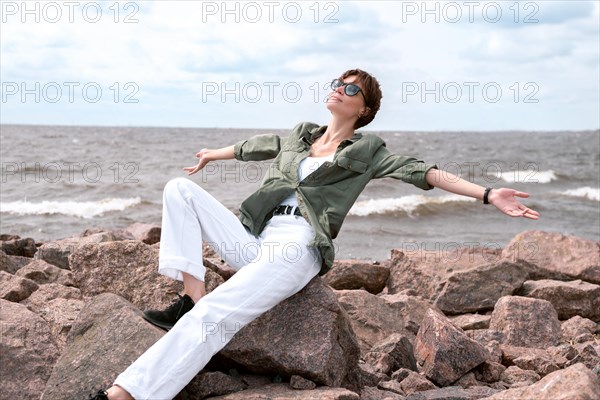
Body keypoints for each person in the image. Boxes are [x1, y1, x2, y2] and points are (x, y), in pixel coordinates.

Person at [88, 69, 539, 400]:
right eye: (337, 83)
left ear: (364, 109)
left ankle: (125, 394)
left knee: (216, 319)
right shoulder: (300, 137)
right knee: (179, 189)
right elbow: (254, 146)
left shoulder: (366, 151)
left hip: (297, 246)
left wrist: (487, 193)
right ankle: (191, 295)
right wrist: (212, 154)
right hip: (257, 239)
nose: (338, 90)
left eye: (351, 89)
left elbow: (421, 172)